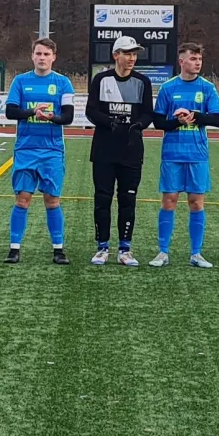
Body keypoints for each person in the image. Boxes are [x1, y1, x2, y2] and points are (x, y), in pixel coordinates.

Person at [86, 34, 157, 265]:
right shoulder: (101, 79)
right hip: (104, 149)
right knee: (102, 199)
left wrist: (139, 125)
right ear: (115, 55)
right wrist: (109, 122)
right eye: (127, 53)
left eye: (134, 54)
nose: (132, 58)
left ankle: (125, 249)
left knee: (128, 200)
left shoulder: (143, 82)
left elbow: (148, 113)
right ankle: (102, 247)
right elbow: (91, 111)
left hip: (131, 151)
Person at [146, 39, 218, 267]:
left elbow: (217, 119)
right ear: (181, 61)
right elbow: (158, 122)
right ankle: (163, 252)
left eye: (200, 59)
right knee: (169, 201)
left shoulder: (208, 88)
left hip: (197, 154)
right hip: (172, 154)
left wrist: (194, 115)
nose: (197, 63)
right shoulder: (168, 88)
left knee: (196, 203)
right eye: (193, 59)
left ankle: (196, 254)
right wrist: (177, 121)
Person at [4, 37, 76, 264]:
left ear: (54, 57)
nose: (42, 58)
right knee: (22, 199)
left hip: (52, 151)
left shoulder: (63, 83)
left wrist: (52, 117)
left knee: (52, 200)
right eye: (38, 53)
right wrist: (33, 112)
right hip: (26, 149)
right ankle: (14, 249)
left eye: (46, 54)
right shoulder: (20, 81)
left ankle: (58, 250)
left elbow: (68, 117)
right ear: (32, 56)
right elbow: (10, 112)